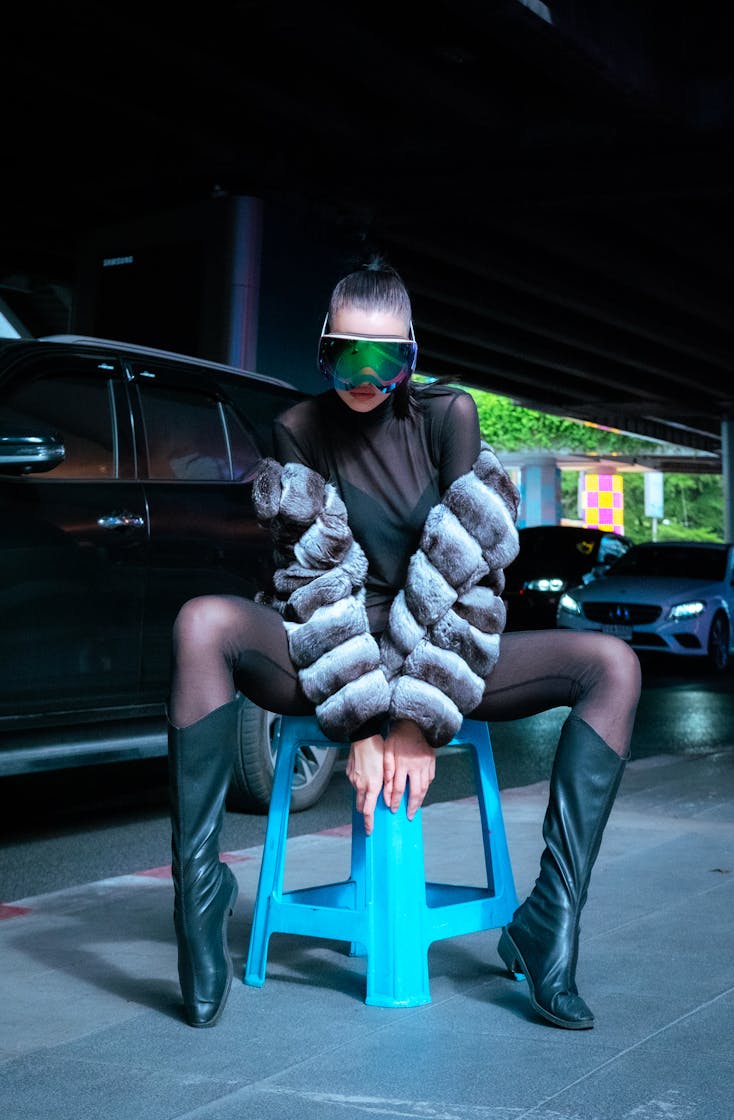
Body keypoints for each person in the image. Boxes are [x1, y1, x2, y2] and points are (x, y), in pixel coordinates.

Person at [166, 257, 642, 1031]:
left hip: (443, 654)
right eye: (345, 354)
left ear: (412, 355)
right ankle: (198, 891)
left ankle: (551, 917)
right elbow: (315, 586)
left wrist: (416, 720)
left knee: (614, 666)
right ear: (323, 349)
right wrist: (362, 722)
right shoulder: (298, 428)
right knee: (200, 623)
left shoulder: (449, 416)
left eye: (385, 358)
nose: (364, 373)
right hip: (332, 651)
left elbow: (472, 579)